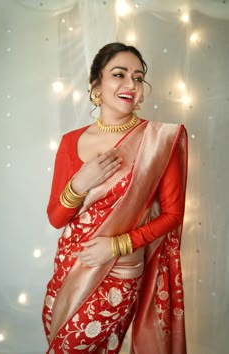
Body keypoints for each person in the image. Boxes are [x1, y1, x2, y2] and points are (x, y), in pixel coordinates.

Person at [42, 42, 188, 354]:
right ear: (97, 84)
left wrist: (117, 245)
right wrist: (80, 183)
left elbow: (173, 215)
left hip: (119, 269)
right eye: (119, 75)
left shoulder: (160, 140)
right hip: (69, 264)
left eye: (138, 78)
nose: (130, 85)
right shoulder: (71, 142)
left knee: (74, 347)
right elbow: (56, 219)